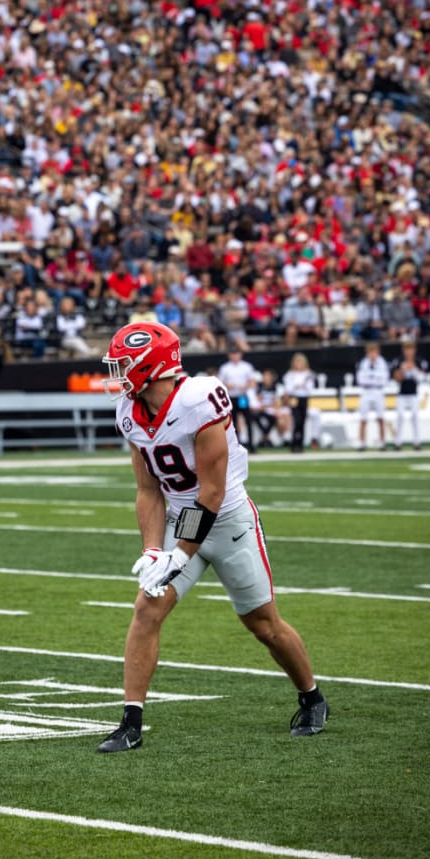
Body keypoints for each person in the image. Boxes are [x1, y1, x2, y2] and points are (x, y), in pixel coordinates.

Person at [96, 322, 329, 753]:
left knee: (262, 623)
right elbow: (148, 490)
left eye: (125, 365)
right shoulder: (129, 412)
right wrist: (152, 551)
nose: (118, 374)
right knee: (147, 608)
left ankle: (312, 696)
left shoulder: (200, 399)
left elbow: (213, 493)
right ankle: (131, 721)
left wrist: (180, 555)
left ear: (152, 365)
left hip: (228, 520)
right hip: (181, 517)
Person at [391, 340, 428, 450]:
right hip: (402, 393)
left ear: (414, 350)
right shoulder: (399, 361)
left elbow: (421, 379)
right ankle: (398, 442)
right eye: (407, 349)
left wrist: (414, 369)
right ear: (403, 351)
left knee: (415, 417)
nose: (409, 352)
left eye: (411, 349)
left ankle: (417, 442)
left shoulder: (419, 361)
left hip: (414, 393)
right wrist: (402, 370)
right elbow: (396, 379)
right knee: (400, 417)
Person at [217, 346, 256, 451]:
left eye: (236, 353)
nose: (235, 356)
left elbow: (252, 381)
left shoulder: (246, 367)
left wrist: (246, 386)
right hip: (231, 398)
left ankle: (251, 444)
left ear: (240, 355)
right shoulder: (225, 368)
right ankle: (235, 445)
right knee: (232, 422)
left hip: (242, 396)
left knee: (248, 420)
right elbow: (220, 383)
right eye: (233, 354)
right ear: (229, 355)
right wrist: (227, 386)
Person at [356, 342, 390, 451]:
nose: (372, 354)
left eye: (374, 351)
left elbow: (384, 379)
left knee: (380, 418)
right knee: (363, 418)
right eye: (370, 352)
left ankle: (382, 442)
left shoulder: (382, 362)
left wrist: (371, 378)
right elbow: (360, 379)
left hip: (378, 391)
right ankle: (362, 443)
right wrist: (374, 378)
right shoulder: (364, 363)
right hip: (366, 391)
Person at [280, 353, 316, 453]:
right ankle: (293, 443)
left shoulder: (308, 374)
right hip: (294, 399)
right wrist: (296, 386)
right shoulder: (290, 375)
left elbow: (310, 389)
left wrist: (301, 386)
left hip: (304, 399)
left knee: (303, 421)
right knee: (297, 421)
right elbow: (288, 388)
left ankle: (300, 444)